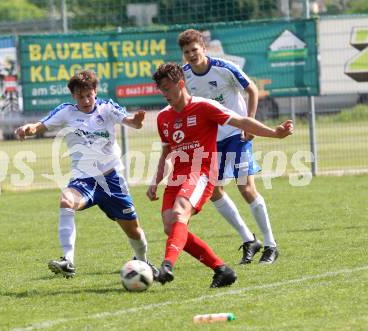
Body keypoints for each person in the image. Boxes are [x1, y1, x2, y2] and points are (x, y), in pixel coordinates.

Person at [147, 63, 293, 286]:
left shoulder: (204, 106)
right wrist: (155, 181)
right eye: (161, 90)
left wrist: (274, 133)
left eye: (168, 88)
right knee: (170, 226)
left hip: (201, 172)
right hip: (178, 176)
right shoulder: (163, 117)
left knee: (179, 214)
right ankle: (222, 270)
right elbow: (167, 152)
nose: (165, 94)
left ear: (181, 84)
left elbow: (241, 121)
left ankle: (167, 265)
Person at [15, 69, 158, 279]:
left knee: (134, 232)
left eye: (89, 95)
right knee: (66, 200)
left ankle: (143, 261)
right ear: (73, 96)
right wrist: (27, 129)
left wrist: (137, 120)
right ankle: (67, 260)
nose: (85, 100)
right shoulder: (66, 111)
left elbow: (131, 122)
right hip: (83, 180)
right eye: (80, 96)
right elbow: (39, 126)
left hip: (111, 180)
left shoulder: (107, 108)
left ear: (95, 92)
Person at [178, 28, 279, 264]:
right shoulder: (184, 77)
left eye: (194, 49)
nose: (191, 55)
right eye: (186, 52)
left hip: (236, 134)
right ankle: (248, 239)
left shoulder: (224, 68)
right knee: (213, 191)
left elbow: (252, 89)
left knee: (245, 187)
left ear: (203, 48)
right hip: (210, 140)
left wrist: (251, 124)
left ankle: (271, 245)